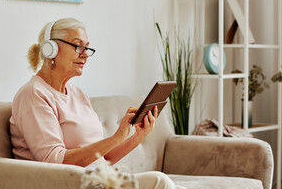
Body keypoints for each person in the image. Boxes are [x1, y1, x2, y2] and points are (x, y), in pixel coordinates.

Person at [10, 18, 176, 189]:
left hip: (97, 182)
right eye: (77, 46)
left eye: (86, 47)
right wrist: (117, 137)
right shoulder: (33, 94)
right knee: (159, 182)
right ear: (50, 49)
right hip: (69, 184)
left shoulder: (78, 94)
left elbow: (103, 159)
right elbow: (54, 161)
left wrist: (137, 136)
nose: (84, 54)